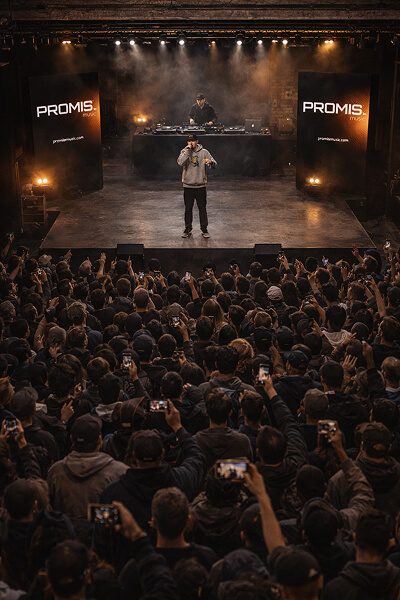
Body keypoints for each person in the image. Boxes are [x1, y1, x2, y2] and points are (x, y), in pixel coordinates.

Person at [177, 133, 217, 239]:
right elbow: (180, 163)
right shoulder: (184, 151)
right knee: (188, 209)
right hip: (188, 186)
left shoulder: (204, 152)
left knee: (202, 208)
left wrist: (210, 162)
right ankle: (187, 228)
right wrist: (188, 151)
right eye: (189, 141)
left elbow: (214, 164)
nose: (191, 143)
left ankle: (204, 229)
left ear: (197, 141)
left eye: (193, 141)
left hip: (200, 186)